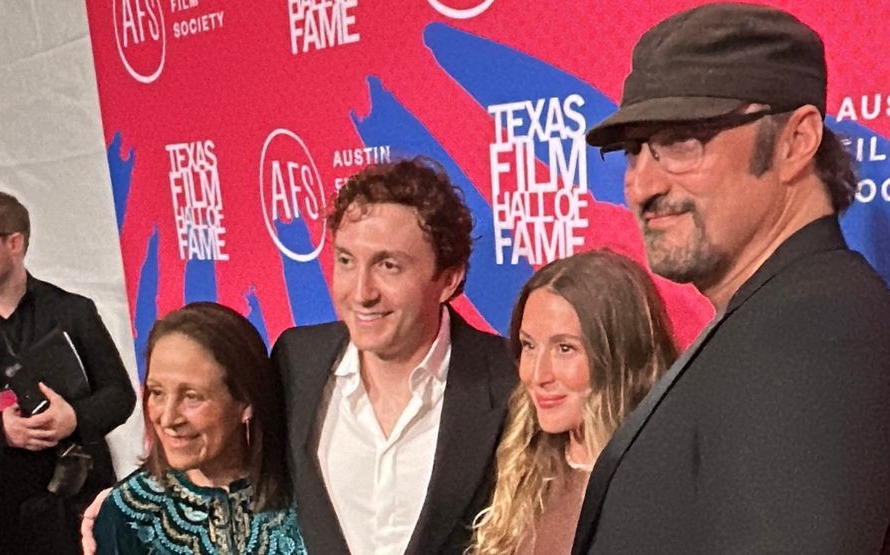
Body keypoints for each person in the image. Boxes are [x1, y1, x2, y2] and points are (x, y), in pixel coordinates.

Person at [572, 4, 890, 554]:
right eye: (634, 151)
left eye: (681, 141)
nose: (641, 186)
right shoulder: (775, 312)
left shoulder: (821, 334)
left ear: (796, 141)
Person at [271, 158, 516, 554]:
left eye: (388, 265)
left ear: (448, 279)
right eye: (347, 261)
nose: (362, 291)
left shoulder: (509, 383)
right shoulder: (295, 363)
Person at [0, 190, 136, 554]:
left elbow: (119, 394)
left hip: (72, 505)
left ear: (14, 242)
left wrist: (74, 418)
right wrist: (0, 431)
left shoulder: (73, 311)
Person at [469, 249, 677, 555]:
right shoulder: (525, 469)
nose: (537, 374)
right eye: (528, 345)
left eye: (564, 348)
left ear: (620, 356)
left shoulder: (667, 483)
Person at [93, 302, 306, 554]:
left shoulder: (308, 493)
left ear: (246, 402)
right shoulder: (128, 512)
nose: (168, 418)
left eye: (192, 396)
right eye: (157, 392)